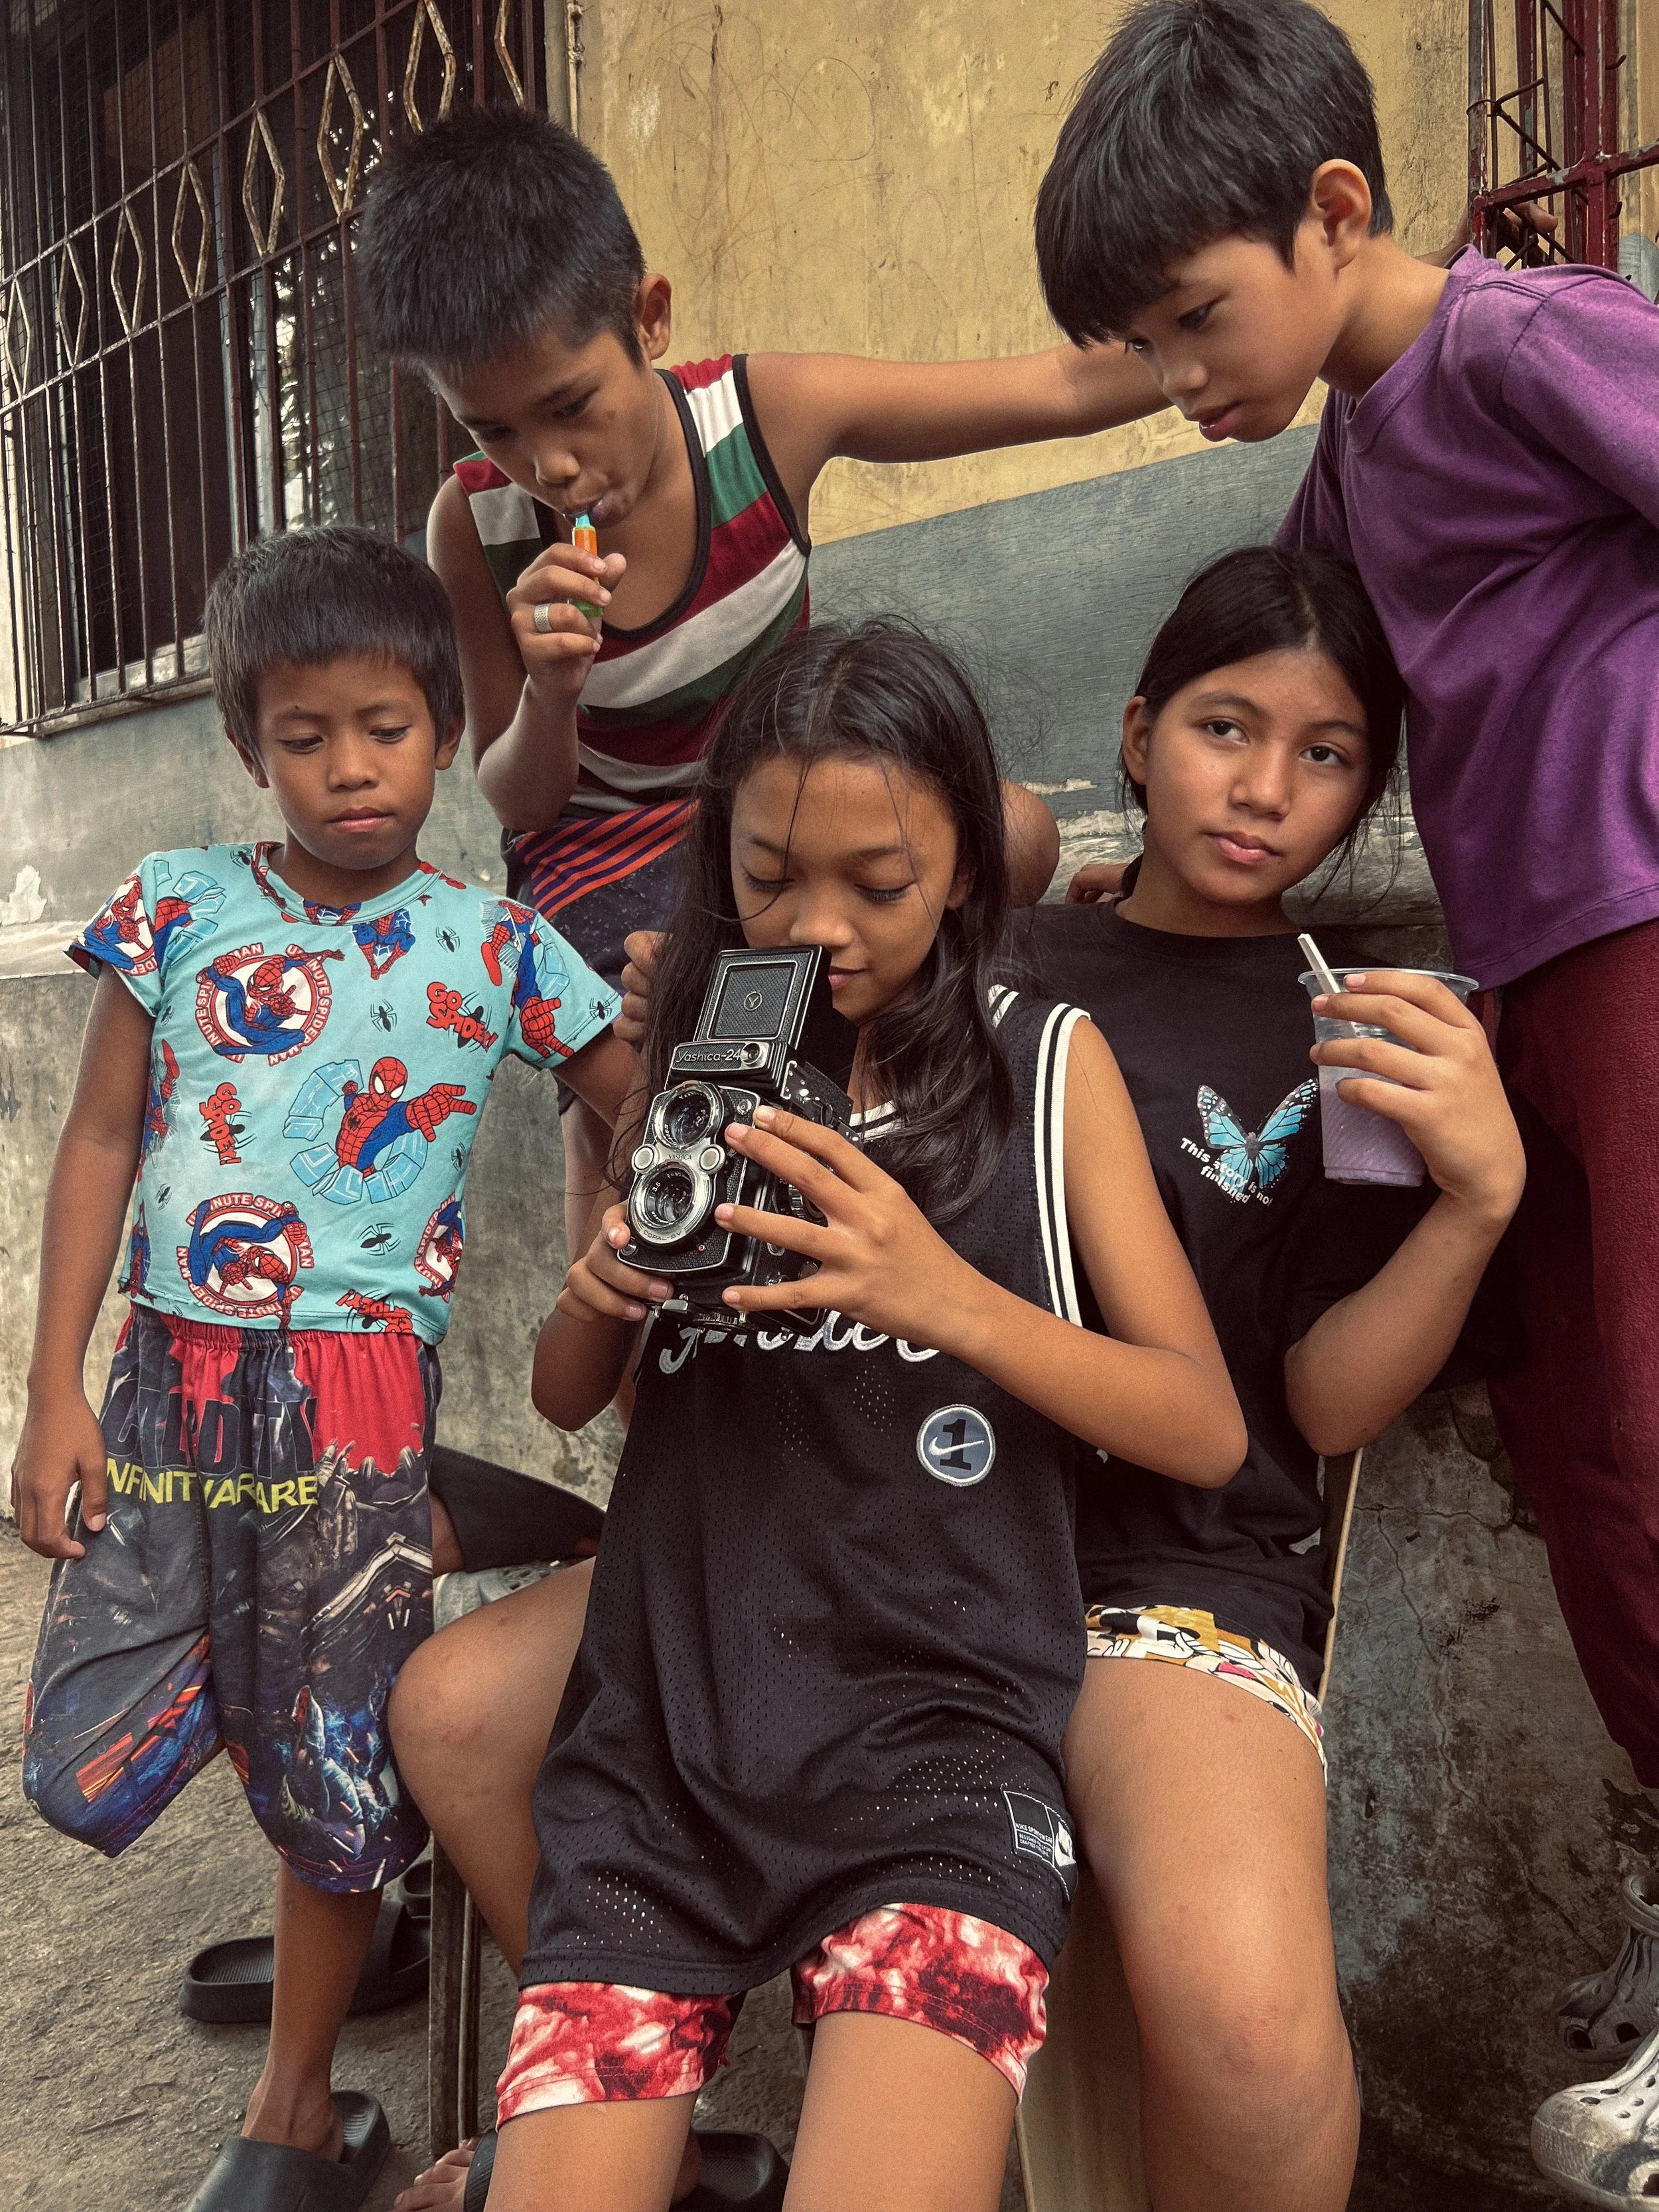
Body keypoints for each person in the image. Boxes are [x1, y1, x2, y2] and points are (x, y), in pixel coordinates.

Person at [1034, 2, 1659, 2191]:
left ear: (1334, 214)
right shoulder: (1354, 453)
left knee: (1658, 1423)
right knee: (1586, 1432)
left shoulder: (1509, 343)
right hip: (1531, 968)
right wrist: (1148, 847)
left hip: (1644, 917)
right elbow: (1304, 668)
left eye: (1196, 316)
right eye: (1143, 339)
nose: (1183, 375)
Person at [390, 616, 1246, 2212]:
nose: (818, 926)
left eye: (882, 883)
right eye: (769, 873)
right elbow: (593, 1395)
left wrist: (941, 1293)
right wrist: (608, 1255)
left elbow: (1200, 1426)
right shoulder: (701, 1069)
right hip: (666, 1743)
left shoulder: (1040, 1068)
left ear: (965, 880)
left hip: (937, 1744)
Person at [11, 527, 634, 2212]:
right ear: (246, 743)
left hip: (357, 1396)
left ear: (446, 730)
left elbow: (639, 1087)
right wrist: (54, 1386)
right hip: (171, 1383)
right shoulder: (175, 906)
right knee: (123, 1721)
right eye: (305, 736)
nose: (351, 770)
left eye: (386, 728)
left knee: (325, 1754)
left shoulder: (494, 943)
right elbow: (101, 1138)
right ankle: (369, 1905)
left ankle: (294, 2113)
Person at [352, 104, 1173, 1268]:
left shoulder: (761, 421)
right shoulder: (472, 524)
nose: (553, 466)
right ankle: (637, 1256)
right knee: (647, 1020)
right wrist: (551, 693)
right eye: (496, 430)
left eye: (573, 404)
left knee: (1017, 836)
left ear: (651, 318)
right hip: (604, 860)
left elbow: (1053, 386)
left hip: (777, 818)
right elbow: (521, 805)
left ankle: (896, 1145)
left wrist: (1254, 341)